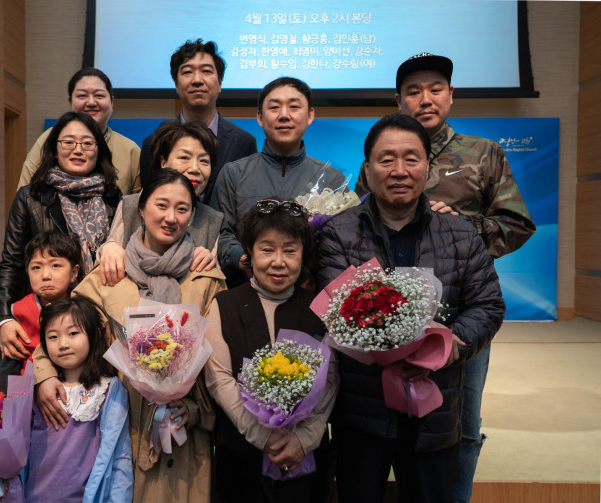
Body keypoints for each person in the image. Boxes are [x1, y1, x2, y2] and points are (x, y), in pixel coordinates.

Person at [354, 53, 536, 502]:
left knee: (461, 424)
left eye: (435, 89)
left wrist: (462, 227)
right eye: (413, 91)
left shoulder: (484, 153)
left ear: (451, 95)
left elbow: (518, 225)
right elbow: (361, 226)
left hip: (460, 314)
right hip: (388, 318)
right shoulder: (380, 156)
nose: (425, 99)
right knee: (385, 421)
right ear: (398, 100)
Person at [318, 114, 505, 503]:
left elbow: (487, 305)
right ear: (367, 169)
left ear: (427, 166)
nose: (399, 170)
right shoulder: (339, 233)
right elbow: (335, 306)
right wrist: (383, 346)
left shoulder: (460, 234)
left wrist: (447, 347)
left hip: (435, 411)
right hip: (362, 413)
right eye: (386, 159)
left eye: (411, 158)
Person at [34, 169, 227, 503]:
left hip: (180, 432)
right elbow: (63, 328)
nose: (171, 217)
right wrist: (45, 374)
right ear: (141, 208)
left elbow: (219, 360)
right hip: (118, 423)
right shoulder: (108, 274)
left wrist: (193, 408)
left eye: (182, 209)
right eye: (161, 205)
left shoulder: (206, 277)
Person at [204, 201, 338, 503]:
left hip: (305, 462)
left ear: (303, 254)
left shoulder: (319, 309)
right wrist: (263, 436)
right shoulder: (224, 305)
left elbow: (330, 381)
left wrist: (303, 439)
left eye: (290, 250)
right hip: (240, 460)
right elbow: (219, 379)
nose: (279, 262)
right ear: (249, 253)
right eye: (267, 250)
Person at [0, 111, 121, 361]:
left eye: (87, 143)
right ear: (54, 149)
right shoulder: (30, 197)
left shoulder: (114, 198)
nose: (78, 150)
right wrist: (4, 318)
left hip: (100, 313)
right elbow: (11, 262)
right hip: (45, 316)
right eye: (68, 142)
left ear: (99, 150)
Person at [210, 77, 346, 286]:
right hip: (245, 288)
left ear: (310, 115)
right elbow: (221, 233)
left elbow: (338, 242)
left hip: (309, 292)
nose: (284, 115)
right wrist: (246, 260)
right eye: (274, 107)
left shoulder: (332, 178)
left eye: (294, 107)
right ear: (259, 117)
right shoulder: (233, 173)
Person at [8, 295, 132, 503]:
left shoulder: (108, 389)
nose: (63, 344)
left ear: (94, 334)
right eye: (53, 337)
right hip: (35, 497)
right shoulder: (37, 389)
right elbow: (17, 449)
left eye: (73, 333)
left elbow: (120, 456)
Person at [100, 121, 223, 286]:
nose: (195, 168)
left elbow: (213, 288)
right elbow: (107, 262)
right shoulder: (130, 205)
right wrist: (109, 247)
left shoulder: (213, 220)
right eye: (184, 157)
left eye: (204, 161)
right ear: (163, 162)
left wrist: (210, 263)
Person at [139, 39, 257, 203]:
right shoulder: (152, 143)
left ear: (220, 83)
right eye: (187, 72)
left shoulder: (244, 143)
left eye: (206, 71)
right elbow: (149, 202)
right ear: (176, 84)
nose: (197, 80)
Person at [18, 67, 141, 196]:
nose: (91, 102)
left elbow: (140, 204)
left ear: (112, 101)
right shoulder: (48, 139)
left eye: (99, 95)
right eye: (82, 95)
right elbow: (24, 196)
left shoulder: (130, 150)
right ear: (70, 101)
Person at [0, 231, 81, 394]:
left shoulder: (82, 309)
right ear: (27, 272)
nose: (45, 275)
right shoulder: (19, 312)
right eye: (36, 267)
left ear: (73, 273)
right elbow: (7, 365)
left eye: (55, 265)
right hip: (29, 390)